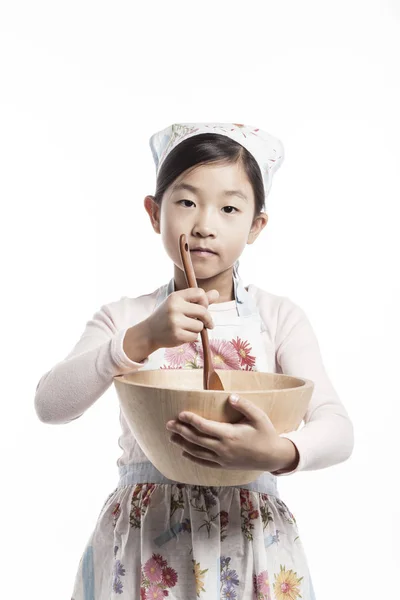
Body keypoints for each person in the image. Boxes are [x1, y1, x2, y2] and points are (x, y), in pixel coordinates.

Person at [35, 122, 354, 600]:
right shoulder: (127, 317)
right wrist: (138, 341)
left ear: (255, 226)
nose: (205, 223)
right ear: (153, 212)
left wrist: (277, 453)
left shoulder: (277, 317)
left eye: (229, 208)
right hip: (146, 546)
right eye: (186, 202)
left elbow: (338, 428)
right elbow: (50, 404)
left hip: (251, 546)